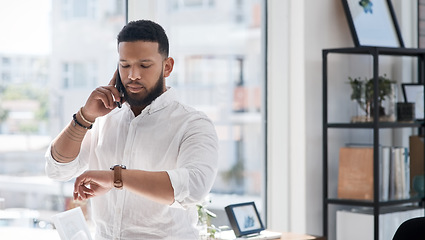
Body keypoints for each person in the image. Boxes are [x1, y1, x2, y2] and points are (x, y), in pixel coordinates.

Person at [45, 19, 218, 240]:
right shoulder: (103, 119)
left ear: (167, 67)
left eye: (144, 65)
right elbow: (57, 170)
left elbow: (194, 187)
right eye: (125, 65)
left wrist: (115, 178)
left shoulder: (193, 123)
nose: (132, 75)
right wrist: (85, 116)